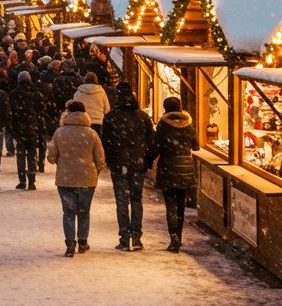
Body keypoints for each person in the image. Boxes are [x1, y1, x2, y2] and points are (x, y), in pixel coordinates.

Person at [48, 100, 106, 257]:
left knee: (68, 212)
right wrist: (94, 171)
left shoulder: (59, 133)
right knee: (84, 211)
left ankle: (69, 244)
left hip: (65, 179)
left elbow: (51, 157)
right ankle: (82, 241)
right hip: (87, 179)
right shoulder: (91, 133)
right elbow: (100, 159)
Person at [102, 83, 153, 251]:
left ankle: (124, 238)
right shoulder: (143, 117)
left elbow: (106, 143)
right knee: (136, 200)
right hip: (137, 164)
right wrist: (147, 160)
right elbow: (150, 141)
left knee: (122, 202)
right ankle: (136, 237)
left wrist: (110, 161)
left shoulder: (111, 117)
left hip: (118, 165)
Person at [148, 96, 199, 253]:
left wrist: (148, 161)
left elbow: (156, 146)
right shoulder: (189, 124)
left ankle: (173, 238)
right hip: (185, 169)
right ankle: (179, 236)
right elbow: (196, 146)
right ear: (180, 107)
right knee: (181, 205)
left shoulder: (164, 125)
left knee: (170, 205)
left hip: (168, 168)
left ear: (166, 108)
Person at [9, 70, 47, 190]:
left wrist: (13, 128)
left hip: (20, 127)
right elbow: (42, 109)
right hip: (32, 127)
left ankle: (22, 180)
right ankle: (32, 180)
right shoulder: (36, 93)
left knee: (20, 155)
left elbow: (12, 112)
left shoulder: (14, 94)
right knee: (31, 154)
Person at [73, 71, 111, 137]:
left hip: (82, 121)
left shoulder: (79, 92)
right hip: (97, 122)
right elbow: (107, 109)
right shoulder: (101, 92)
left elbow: (74, 107)